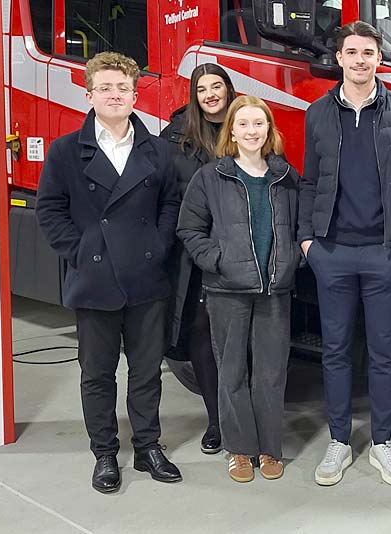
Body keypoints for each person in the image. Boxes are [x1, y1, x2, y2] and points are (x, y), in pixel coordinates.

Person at [36, 52, 182, 493]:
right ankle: (104, 452)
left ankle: (147, 447)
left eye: (122, 88)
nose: (114, 95)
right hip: (95, 279)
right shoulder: (65, 151)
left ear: (136, 96)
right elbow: (49, 209)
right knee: (97, 373)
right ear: (89, 94)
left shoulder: (158, 149)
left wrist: (157, 245)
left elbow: (171, 203)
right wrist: (81, 250)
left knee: (146, 371)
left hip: (146, 277)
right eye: (106, 88)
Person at [298, 20, 391, 487]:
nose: (360, 60)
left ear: (379, 58)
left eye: (368, 53)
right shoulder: (317, 112)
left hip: (385, 254)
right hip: (331, 252)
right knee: (335, 351)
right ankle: (338, 442)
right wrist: (308, 241)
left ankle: (382, 443)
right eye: (352, 52)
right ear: (339, 58)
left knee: (382, 353)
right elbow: (310, 180)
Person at [177, 95, 300, 483]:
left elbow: (302, 227)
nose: (251, 131)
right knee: (231, 371)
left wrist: (293, 258)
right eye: (243, 124)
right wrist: (217, 260)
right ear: (231, 130)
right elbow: (189, 228)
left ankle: (269, 448)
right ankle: (240, 450)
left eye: (258, 123)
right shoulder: (211, 177)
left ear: (269, 130)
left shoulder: (285, 177)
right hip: (227, 291)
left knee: (270, 372)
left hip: (275, 291)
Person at [160, 63, 236, 454]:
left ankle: (242, 415)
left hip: (241, 251)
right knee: (201, 334)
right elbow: (162, 190)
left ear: (228, 89)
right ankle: (216, 421)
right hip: (193, 254)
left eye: (216, 86)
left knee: (240, 339)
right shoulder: (176, 135)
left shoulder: (248, 122)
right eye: (202, 88)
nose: (210, 94)